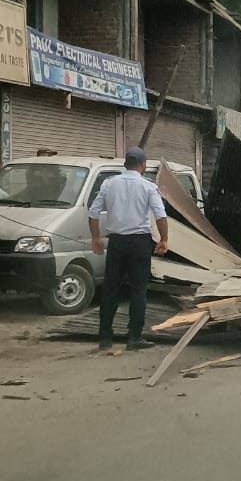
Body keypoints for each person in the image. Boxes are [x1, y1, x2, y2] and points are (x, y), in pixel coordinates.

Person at [88, 147, 169, 350]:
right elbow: (160, 215)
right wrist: (164, 240)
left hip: (116, 243)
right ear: (142, 165)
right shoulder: (148, 186)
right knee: (138, 290)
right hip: (139, 243)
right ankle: (134, 337)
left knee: (111, 289)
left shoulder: (109, 184)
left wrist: (96, 238)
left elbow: (93, 212)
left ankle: (105, 338)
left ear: (126, 164)